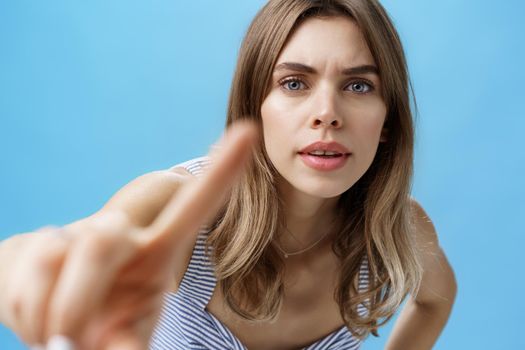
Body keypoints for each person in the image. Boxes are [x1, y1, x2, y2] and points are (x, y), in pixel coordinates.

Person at [0, 0, 457, 349]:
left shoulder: (396, 231)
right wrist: (26, 270)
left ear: (388, 122)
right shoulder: (175, 206)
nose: (327, 113)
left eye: (358, 85)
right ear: (255, 108)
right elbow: (59, 252)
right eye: (294, 83)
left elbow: (436, 299)